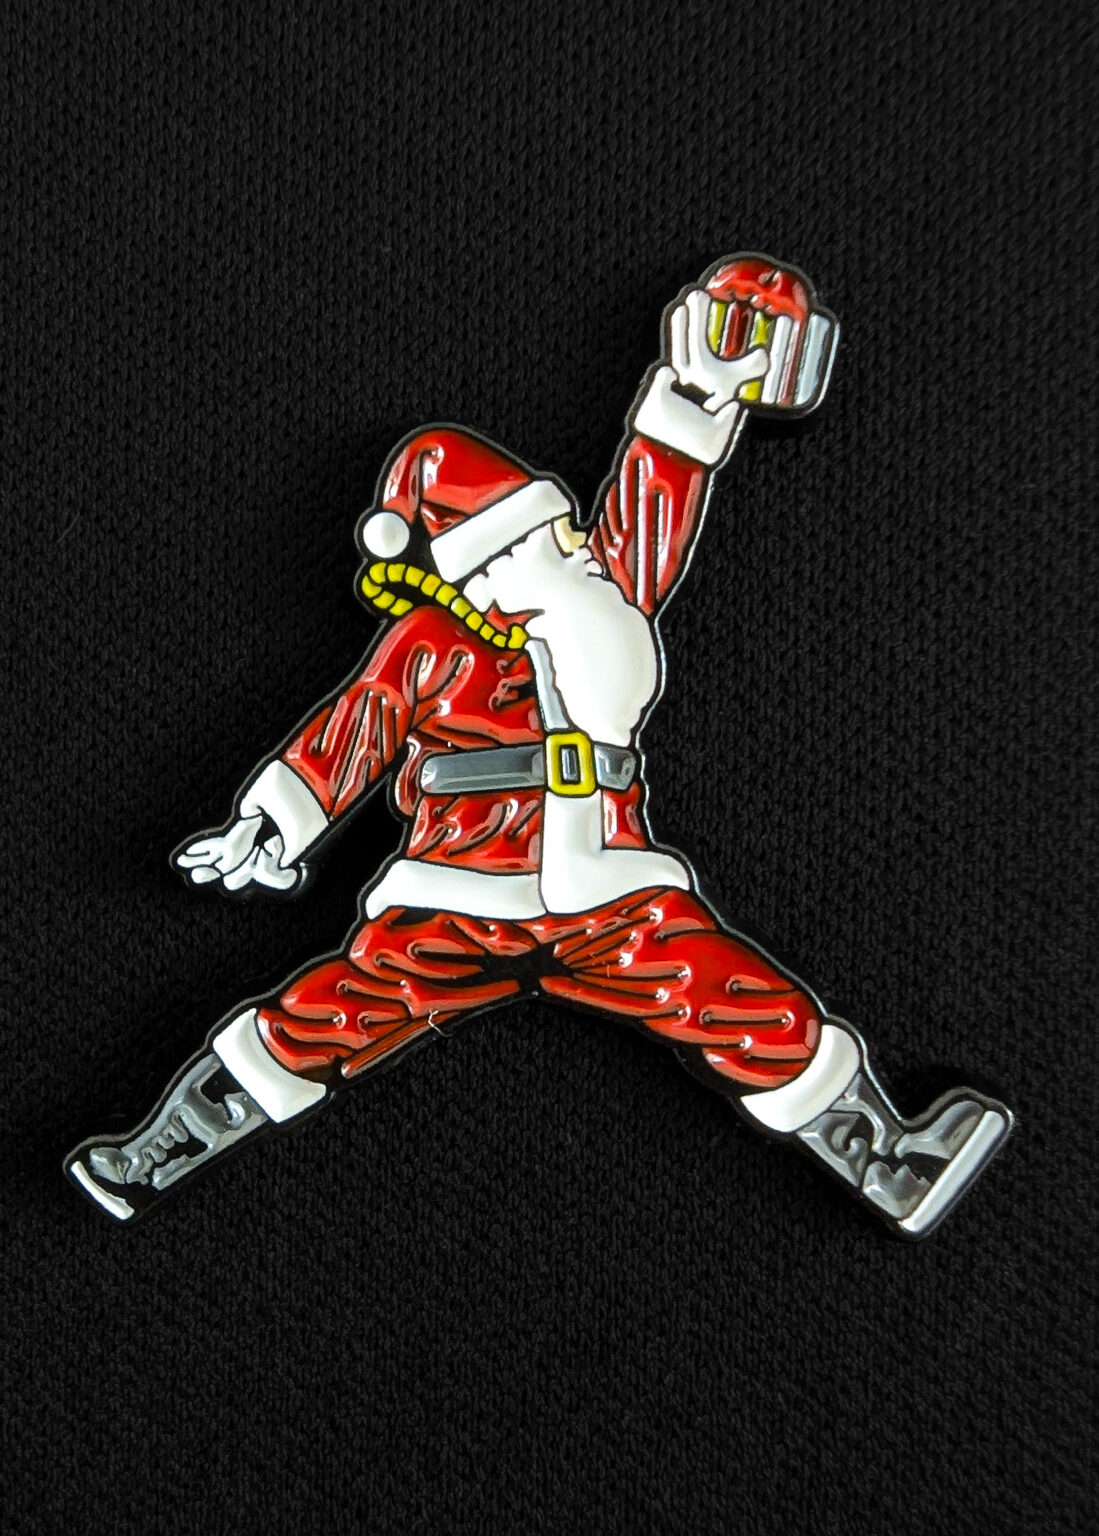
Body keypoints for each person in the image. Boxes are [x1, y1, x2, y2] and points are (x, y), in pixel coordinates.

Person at [66, 257, 1010, 1232]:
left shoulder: (600, 601)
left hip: (608, 895)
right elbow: (352, 729)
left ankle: (884, 1159)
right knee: (328, 1014)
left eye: (564, 538)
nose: (572, 552)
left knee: (729, 996)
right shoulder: (430, 645)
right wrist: (270, 824)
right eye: (540, 545)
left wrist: (697, 395)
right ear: (477, 571)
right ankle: (156, 1152)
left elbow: (652, 497)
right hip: (458, 891)